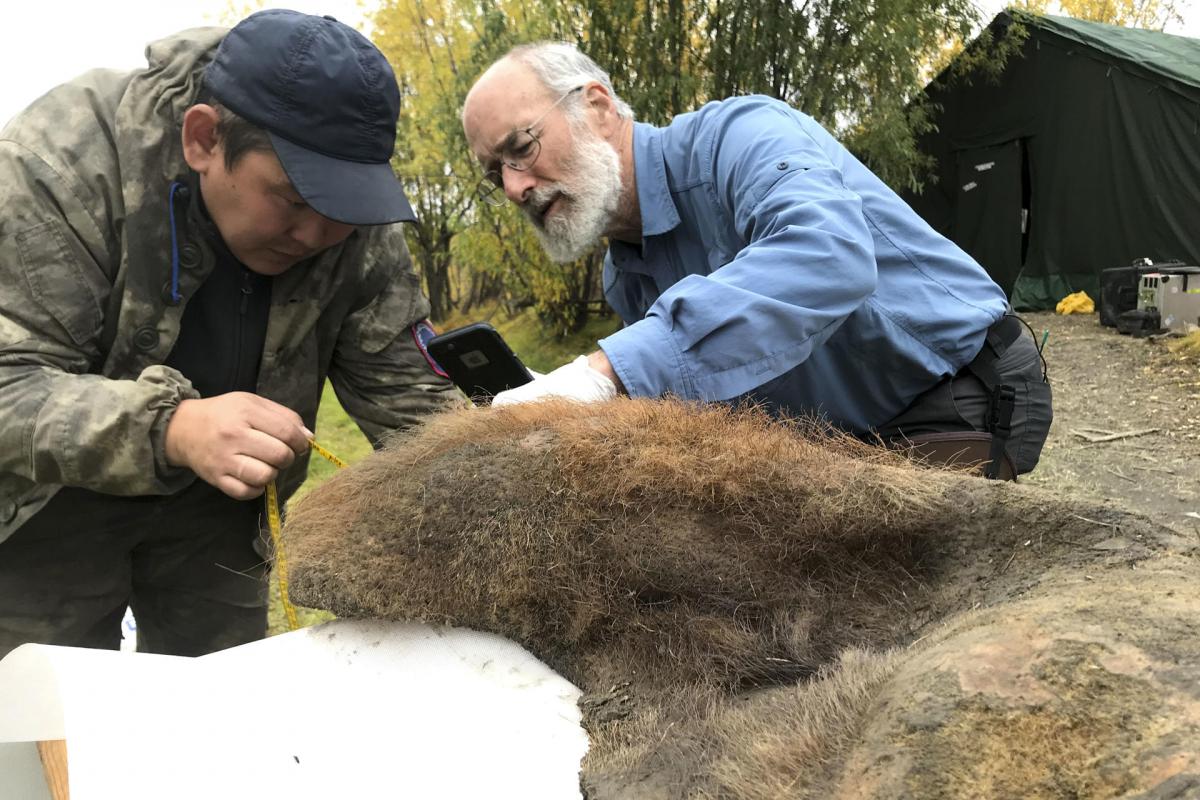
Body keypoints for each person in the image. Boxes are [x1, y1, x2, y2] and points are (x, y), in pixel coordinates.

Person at [0, 10, 460, 658]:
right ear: (203, 140)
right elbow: (8, 385)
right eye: (294, 201)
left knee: (214, 723)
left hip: (219, 517)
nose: (318, 237)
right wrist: (171, 428)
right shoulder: (63, 163)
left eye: (344, 213)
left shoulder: (348, 219)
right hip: (48, 510)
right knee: (50, 734)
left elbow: (418, 408)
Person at [461, 43, 1052, 478]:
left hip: (954, 389)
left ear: (597, 105)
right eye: (496, 174)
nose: (515, 188)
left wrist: (605, 372)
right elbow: (696, 387)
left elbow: (829, 256)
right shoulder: (624, 274)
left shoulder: (740, 136)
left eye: (522, 148)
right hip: (840, 436)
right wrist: (575, 402)